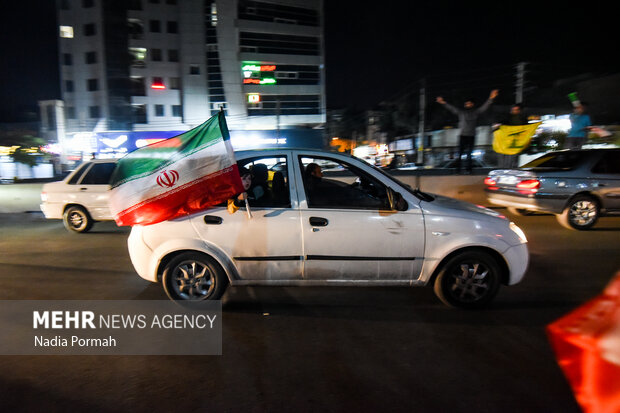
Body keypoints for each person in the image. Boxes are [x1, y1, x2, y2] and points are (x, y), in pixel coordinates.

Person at [436, 89, 499, 173]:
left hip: (471, 136)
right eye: (466, 103)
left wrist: (491, 98)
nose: (467, 104)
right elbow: (452, 108)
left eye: (469, 103)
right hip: (463, 135)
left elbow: (484, 107)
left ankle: (469, 170)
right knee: (460, 154)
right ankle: (458, 170)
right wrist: (443, 102)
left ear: (472, 104)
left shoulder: (476, 112)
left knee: (469, 154)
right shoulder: (461, 112)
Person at [494, 103, 528, 168]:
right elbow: (502, 123)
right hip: (508, 139)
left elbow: (526, 127)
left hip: (518, 140)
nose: (515, 111)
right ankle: (506, 168)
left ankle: (513, 168)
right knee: (507, 154)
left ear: (519, 110)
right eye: (513, 110)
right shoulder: (507, 117)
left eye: (516, 110)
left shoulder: (523, 119)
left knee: (515, 155)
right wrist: (498, 126)